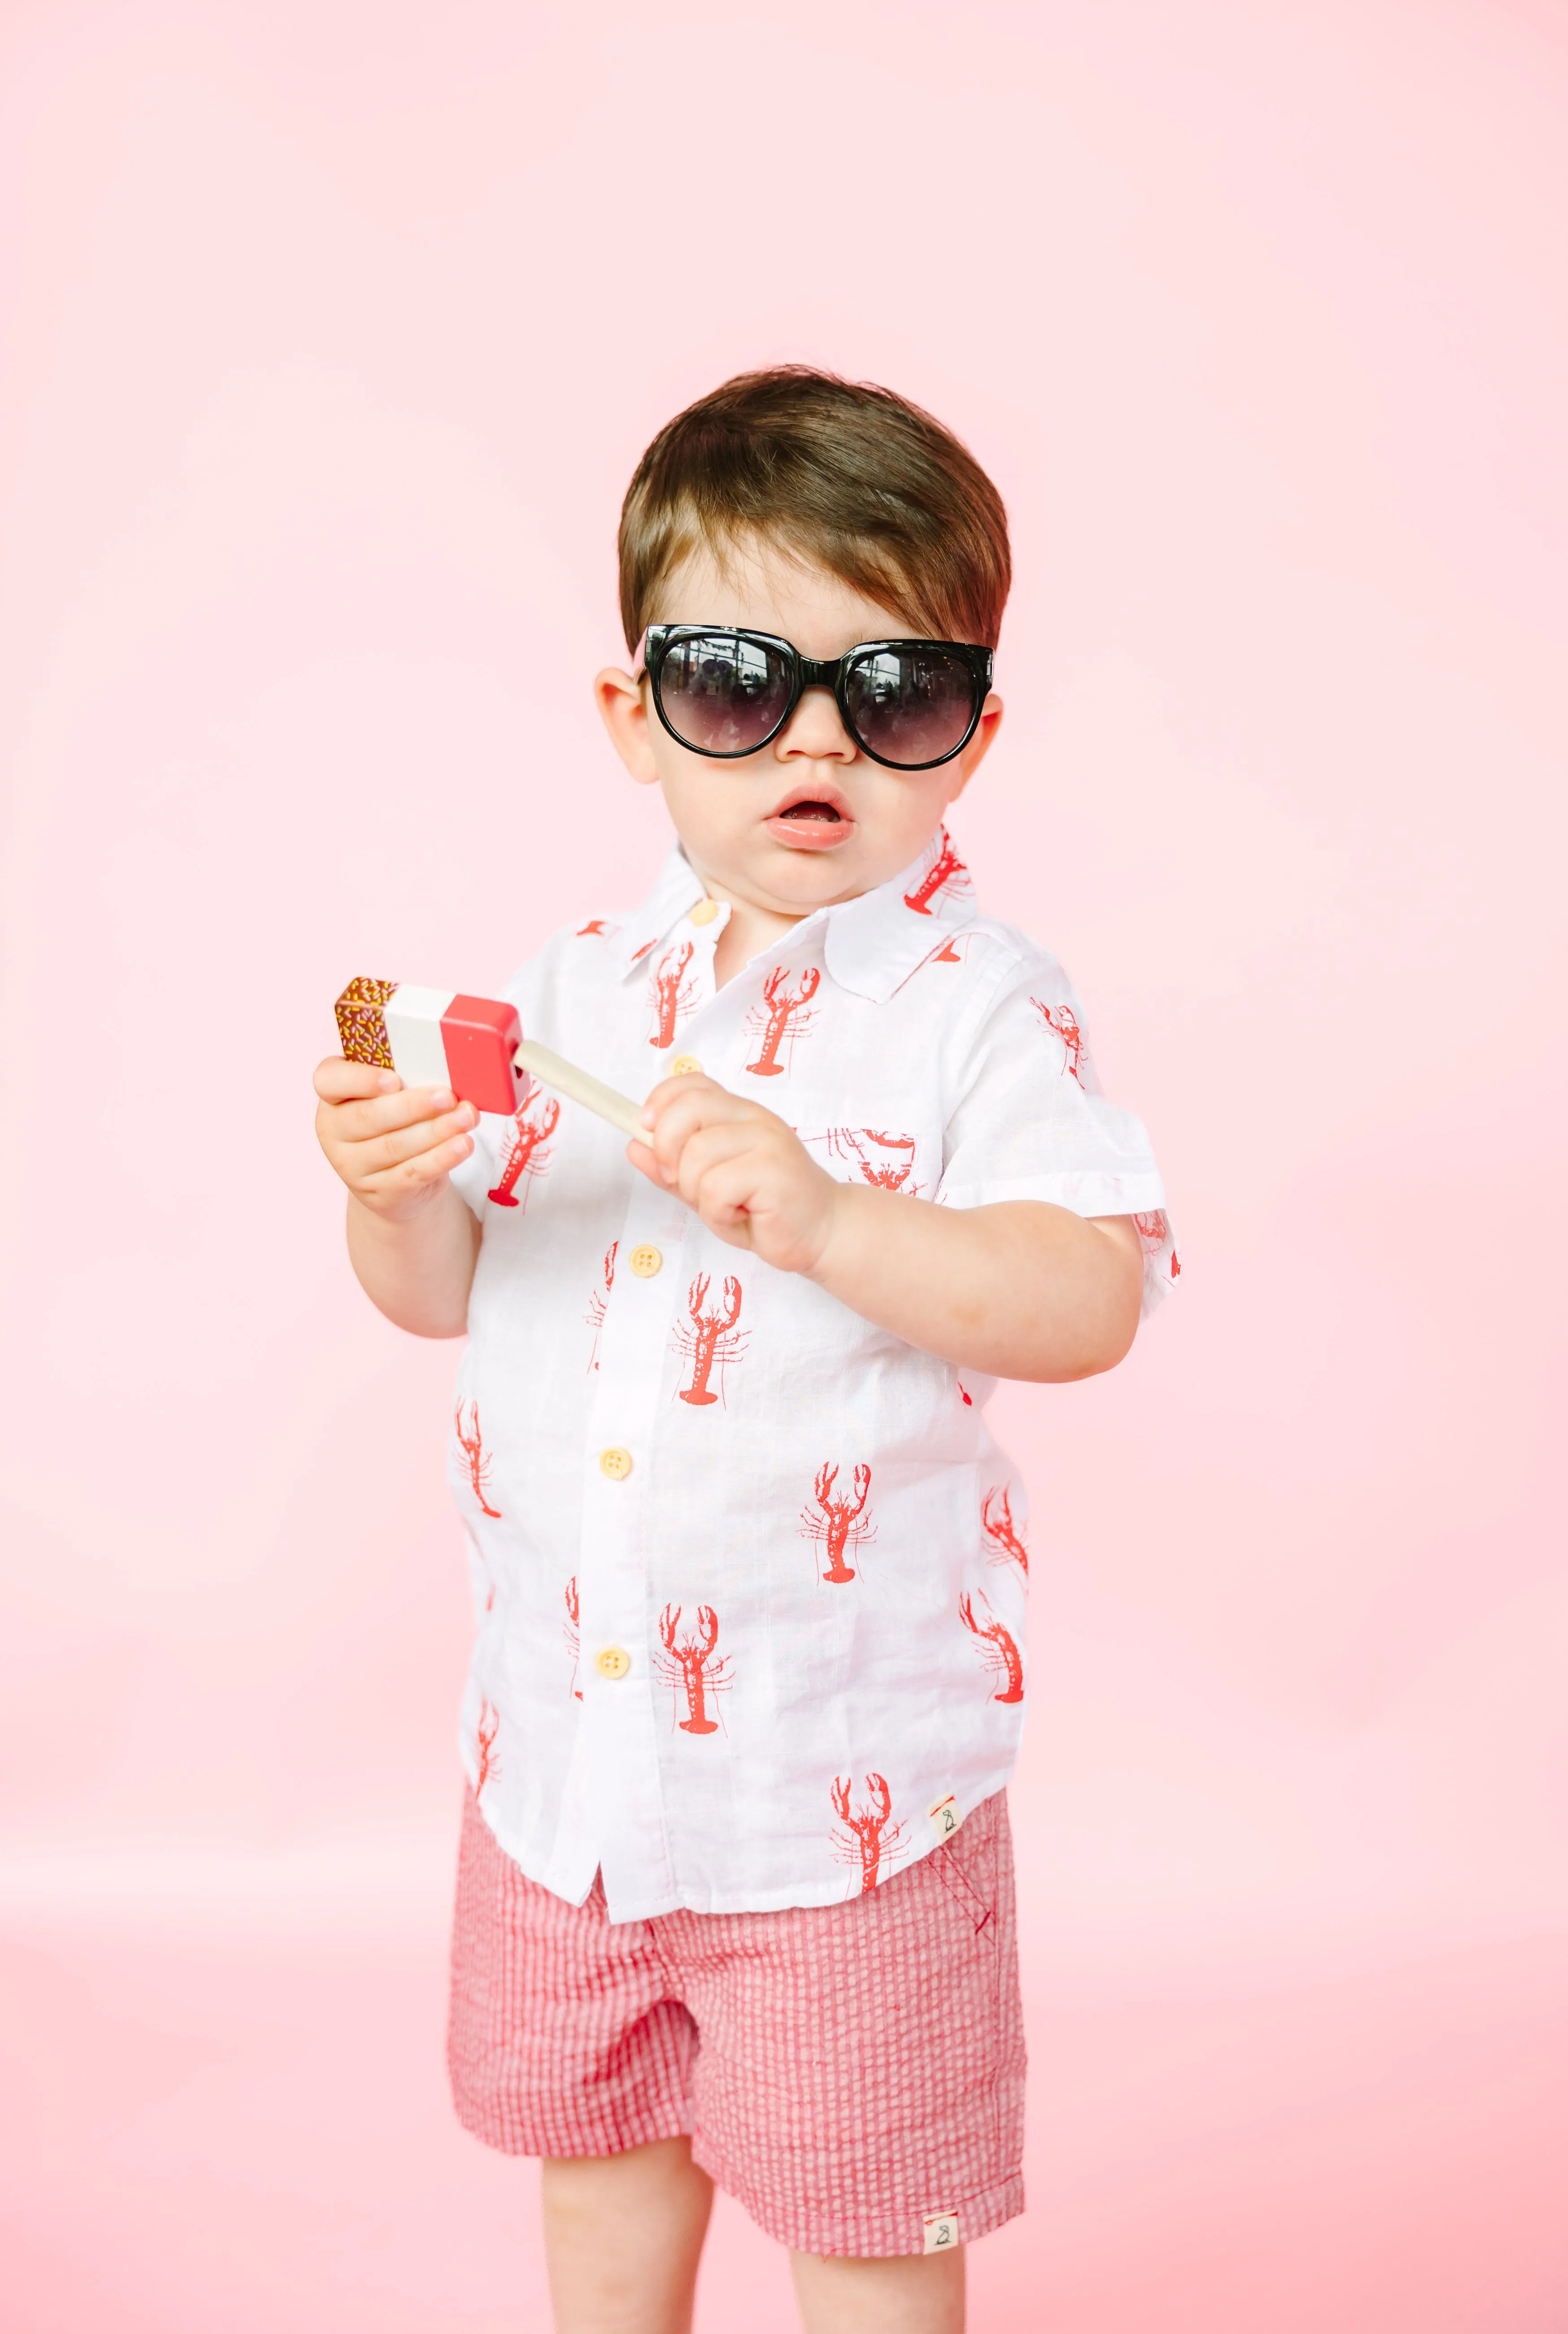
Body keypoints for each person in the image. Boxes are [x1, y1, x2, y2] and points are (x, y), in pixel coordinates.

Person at [313, 367, 1176, 2334]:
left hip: (842, 1788)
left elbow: (1089, 1294)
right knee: (599, 2187)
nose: (817, 742)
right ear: (636, 718)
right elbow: (452, 1290)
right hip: (566, 1762)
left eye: (897, 694)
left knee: (869, 2231)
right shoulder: (573, 995)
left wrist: (837, 1221)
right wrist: (388, 1191)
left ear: (971, 736)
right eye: (735, 683)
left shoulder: (978, 1009)